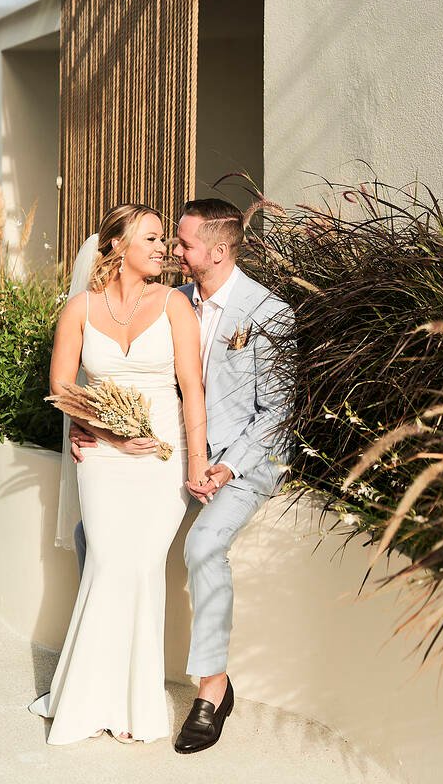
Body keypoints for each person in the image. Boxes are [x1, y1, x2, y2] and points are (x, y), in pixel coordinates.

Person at [70, 198, 294, 754]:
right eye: (169, 242)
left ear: (218, 251)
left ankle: (212, 689)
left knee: (203, 545)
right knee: (86, 536)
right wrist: (93, 425)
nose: (174, 250)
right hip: (178, 454)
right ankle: (101, 673)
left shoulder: (270, 313)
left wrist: (222, 467)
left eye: (185, 244)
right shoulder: (171, 300)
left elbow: (279, 414)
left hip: (243, 462)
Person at [28, 204, 209, 744]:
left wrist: (196, 462)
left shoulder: (176, 304)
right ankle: (89, 698)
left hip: (163, 454)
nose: (164, 249)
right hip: (102, 457)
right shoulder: (79, 309)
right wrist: (106, 433)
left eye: (164, 240)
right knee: (107, 561)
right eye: (152, 238)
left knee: (143, 564)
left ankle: (134, 704)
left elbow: (192, 389)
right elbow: (63, 386)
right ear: (116, 246)